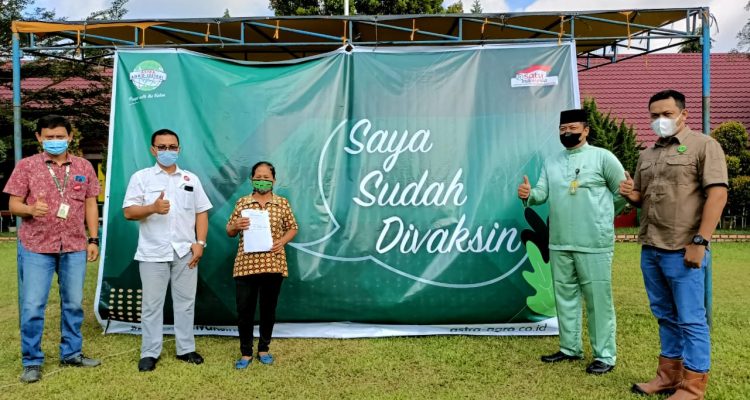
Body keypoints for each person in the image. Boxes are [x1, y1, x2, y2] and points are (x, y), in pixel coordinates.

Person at [621, 90, 727, 400]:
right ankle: (668, 376)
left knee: (691, 318)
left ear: (683, 114)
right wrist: (630, 193)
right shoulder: (647, 155)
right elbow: (642, 198)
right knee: (665, 315)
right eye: (654, 115)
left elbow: (718, 194)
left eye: (667, 114)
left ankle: (692, 387)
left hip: (683, 248)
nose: (660, 120)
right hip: (651, 248)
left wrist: (700, 241)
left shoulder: (704, 146)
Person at [518, 109, 626, 375]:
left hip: (594, 242)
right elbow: (541, 193)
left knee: (598, 300)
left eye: (573, 128)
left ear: (586, 130)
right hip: (559, 242)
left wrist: (603, 215)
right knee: (565, 297)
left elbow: (623, 192)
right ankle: (569, 348)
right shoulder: (552, 161)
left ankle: (605, 355)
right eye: (562, 129)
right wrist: (528, 194)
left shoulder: (603, 158)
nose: (567, 133)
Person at [4, 115, 101, 383]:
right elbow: (13, 205)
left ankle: (71, 353)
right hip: (36, 246)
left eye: (60, 136)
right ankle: (32, 361)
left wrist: (93, 239)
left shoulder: (83, 166)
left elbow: (90, 204)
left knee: (73, 304)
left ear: (70, 137)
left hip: (74, 245)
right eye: (49, 137)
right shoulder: (26, 166)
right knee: (33, 306)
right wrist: (30, 209)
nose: (55, 141)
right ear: (39, 138)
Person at [123, 129, 212, 372]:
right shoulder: (141, 178)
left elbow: (201, 212)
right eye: (162, 147)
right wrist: (152, 208)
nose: (167, 151)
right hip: (153, 252)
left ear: (179, 149)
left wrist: (200, 243)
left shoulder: (190, 179)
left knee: (185, 303)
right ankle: (150, 352)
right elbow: (129, 212)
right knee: (152, 305)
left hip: (185, 251)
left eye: (172, 147)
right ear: (153, 150)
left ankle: (186, 349)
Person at [226, 161, 298, 369]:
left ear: (274, 180)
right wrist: (235, 225)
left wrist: (282, 242)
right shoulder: (242, 203)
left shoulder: (282, 203)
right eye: (258, 177)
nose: (262, 180)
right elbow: (229, 231)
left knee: (268, 310)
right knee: (244, 311)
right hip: (245, 265)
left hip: (273, 264)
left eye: (266, 177)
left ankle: (264, 349)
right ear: (251, 179)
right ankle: (246, 353)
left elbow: (293, 227)